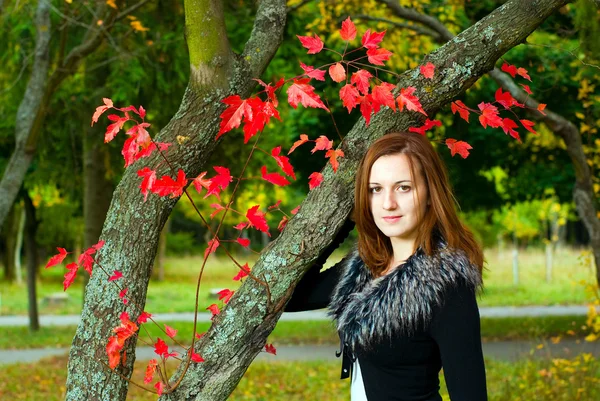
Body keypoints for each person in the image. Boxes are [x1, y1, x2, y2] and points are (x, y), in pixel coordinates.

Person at [285, 131, 488, 401]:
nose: (388, 204)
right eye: (375, 189)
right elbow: (291, 297)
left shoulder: (447, 287)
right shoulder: (366, 265)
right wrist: (335, 226)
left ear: (429, 193)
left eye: (403, 187)